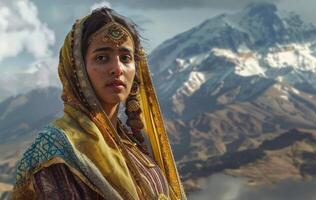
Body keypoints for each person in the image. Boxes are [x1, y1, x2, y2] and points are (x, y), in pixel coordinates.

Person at [11, 7, 186, 200]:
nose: (117, 69)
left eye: (125, 58)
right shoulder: (56, 150)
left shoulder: (134, 147)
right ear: (77, 69)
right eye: (102, 58)